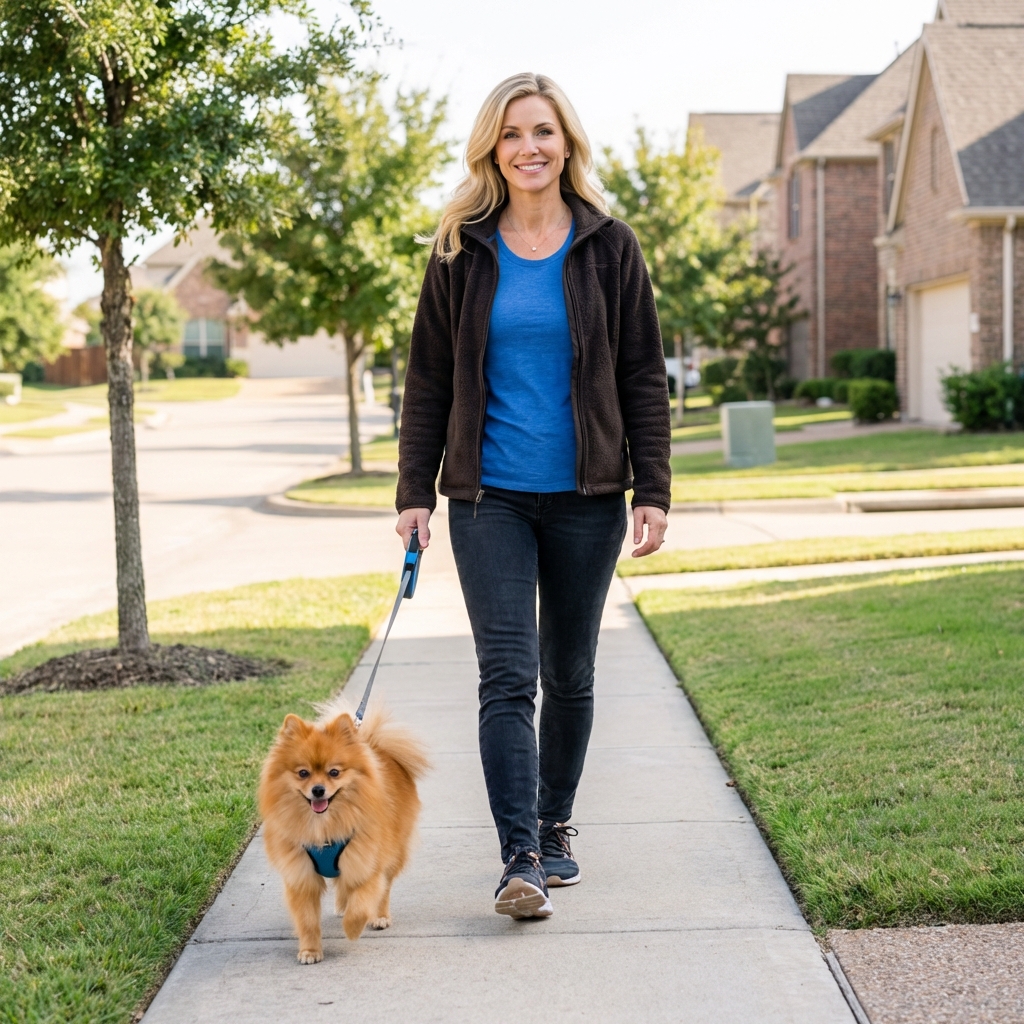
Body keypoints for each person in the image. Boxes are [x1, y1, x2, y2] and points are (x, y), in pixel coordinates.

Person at [396, 72, 671, 919]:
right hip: (491, 500)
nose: (529, 148)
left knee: (570, 671)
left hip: (588, 495)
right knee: (507, 676)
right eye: (513, 134)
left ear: (568, 144)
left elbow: (640, 375)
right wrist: (415, 490)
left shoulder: (610, 245)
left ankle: (555, 826)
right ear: (492, 147)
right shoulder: (459, 249)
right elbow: (429, 380)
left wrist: (652, 487)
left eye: (544, 131)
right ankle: (519, 856)